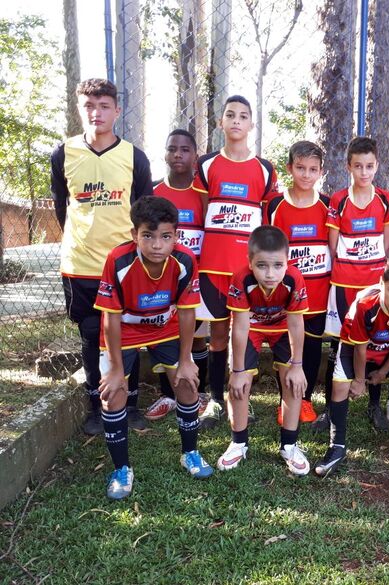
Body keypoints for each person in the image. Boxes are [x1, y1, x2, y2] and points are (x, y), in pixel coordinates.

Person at [51, 78, 152, 436]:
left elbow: (144, 212)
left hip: (124, 263)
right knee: (92, 335)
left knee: (128, 333)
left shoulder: (134, 156)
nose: (96, 113)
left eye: (104, 106)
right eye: (89, 106)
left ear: (117, 110)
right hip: (80, 265)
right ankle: (97, 406)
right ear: (80, 109)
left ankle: (132, 404)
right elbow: (62, 209)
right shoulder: (64, 153)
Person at [94, 197, 212, 500]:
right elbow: (111, 316)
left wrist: (186, 360)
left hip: (165, 328)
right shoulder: (118, 260)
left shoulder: (185, 260)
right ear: (135, 235)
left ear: (176, 235)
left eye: (166, 236)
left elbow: (187, 311)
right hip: (125, 331)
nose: (157, 244)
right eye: (148, 235)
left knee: (187, 384)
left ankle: (190, 453)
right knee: (113, 393)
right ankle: (121, 469)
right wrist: (118, 369)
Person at [193, 95, 280, 430]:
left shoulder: (264, 168)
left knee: (244, 334)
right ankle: (215, 399)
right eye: (230, 115)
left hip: (247, 270)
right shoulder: (207, 165)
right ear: (220, 122)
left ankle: (241, 395)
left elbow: (268, 215)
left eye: (243, 116)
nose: (236, 121)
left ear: (251, 124)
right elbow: (204, 212)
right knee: (218, 335)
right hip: (213, 266)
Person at [314, 255, 389, 479]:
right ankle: (337, 446)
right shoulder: (365, 305)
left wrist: (383, 372)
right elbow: (360, 349)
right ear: (382, 282)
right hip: (355, 346)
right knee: (340, 387)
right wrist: (358, 380)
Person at [218, 226, 310, 475]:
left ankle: (289, 445)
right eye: (262, 266)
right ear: (249, 262)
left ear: (287, 261)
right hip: (252, 327)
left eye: (278, 265)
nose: (270, 274)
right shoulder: (241, 278)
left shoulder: (294, 278)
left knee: (293, 382)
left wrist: (297, 366)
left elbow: (295, 322)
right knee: (240, 383)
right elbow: (239, 326)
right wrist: (237, 371)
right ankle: (238, 442)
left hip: (282, 327)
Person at [323, 137, 389, 431]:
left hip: (374, 286)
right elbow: (333, 247)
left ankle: (374, 405)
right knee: (338, 342)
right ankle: (331, 407)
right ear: (348, 167)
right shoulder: (338, 200)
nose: (364, 172)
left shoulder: (386, 199)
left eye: (369, 166)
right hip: (344, 284)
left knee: (377, 340)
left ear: (377, 165)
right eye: (358, 166)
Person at [265, 141, 331, 426]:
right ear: (290, 167)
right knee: (287, 346)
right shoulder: (275, 204)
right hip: (286, 295)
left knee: (313, 347)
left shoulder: (328, 205)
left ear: (320, 172)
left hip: (318, 292)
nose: (306, 175)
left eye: (313, 169)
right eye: (300, 168)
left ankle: (305, 400)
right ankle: (286, 399)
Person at [147, 129, 209, 421]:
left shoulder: (204, 193)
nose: (178, 155)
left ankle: (201, 391)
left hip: (196, 277)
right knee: (164, 334)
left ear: (195, 155)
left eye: (185, 150)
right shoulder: (155, 193)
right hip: (162, 276)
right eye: (172, 149)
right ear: (165, 154)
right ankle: (169, 395)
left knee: (196, 337)